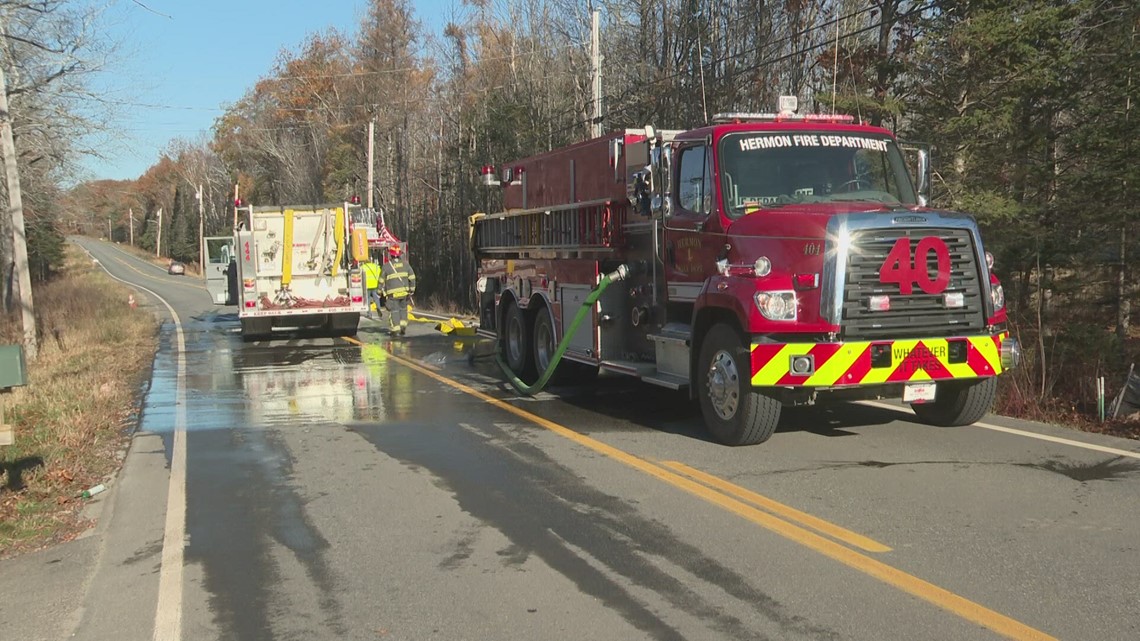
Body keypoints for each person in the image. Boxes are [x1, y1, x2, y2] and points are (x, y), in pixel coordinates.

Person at [380, 244, 416, 336]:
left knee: (394, 311)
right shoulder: (406, 264)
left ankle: (396, 329)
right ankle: (403, 326)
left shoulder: (386, 266)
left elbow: (381, 280)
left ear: (390, 255)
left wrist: (379, 291)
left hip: (393, 295)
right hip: (404, 293)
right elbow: (412, 277)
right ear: (399, 254)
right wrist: (412, 289)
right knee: (403, 309)